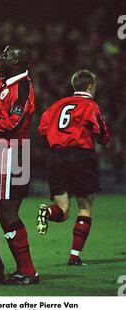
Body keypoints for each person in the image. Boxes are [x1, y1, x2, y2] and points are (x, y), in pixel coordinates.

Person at [37, 69, 110, 265]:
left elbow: (42, 128)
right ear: (91, 86)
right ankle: (74, 256)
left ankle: (48, 212)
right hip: (80, 156)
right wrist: (104, 141)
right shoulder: (90, 105)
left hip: (56, 156)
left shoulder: (57, 105)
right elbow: (101, 130)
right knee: (84, 208)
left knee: (63, 210)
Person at [0, 45, 39, 285]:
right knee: (5, 212)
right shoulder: (8, 83)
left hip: (12, 155)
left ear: (19, 63)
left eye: (8, 55)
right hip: (6, 153)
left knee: (7, 213)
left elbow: (13, 123)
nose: (1, 57)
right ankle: (22, 269)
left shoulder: (23, 87)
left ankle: (28, 271)